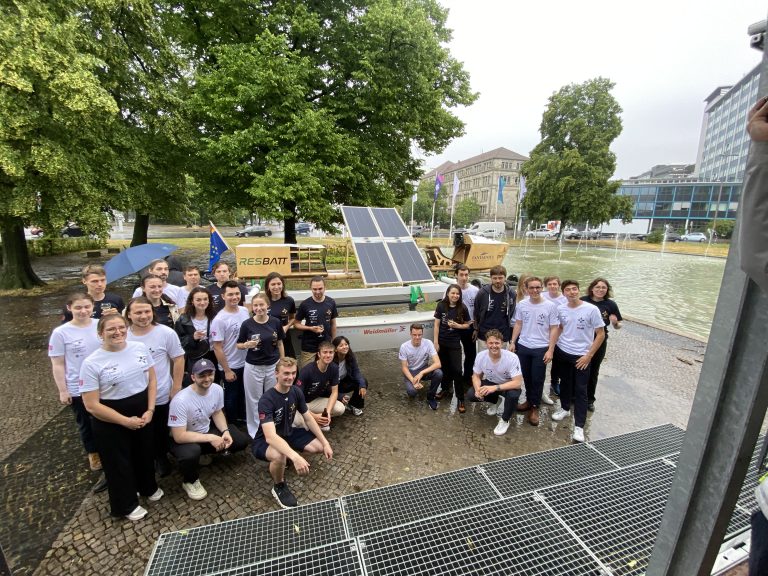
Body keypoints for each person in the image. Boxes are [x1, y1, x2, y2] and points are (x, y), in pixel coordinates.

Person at [80, 315, 162, 521]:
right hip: (110, 415)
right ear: (100, 334)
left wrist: (150, 409)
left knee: (144, 452)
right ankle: (125, 504)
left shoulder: (139, 348)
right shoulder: (91, 363)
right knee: (118, 461)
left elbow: (152, 379)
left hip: (142, 406)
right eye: (111, 329)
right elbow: (91, 404)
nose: (118, 332)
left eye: (121, 327)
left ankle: (147, 486)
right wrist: (124, 420)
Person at [251, 357, 333, 509]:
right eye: (286, 373)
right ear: (276, 374)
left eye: (293, 373)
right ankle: (279, 486)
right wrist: (295, 457)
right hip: (264, 441)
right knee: (279, 455)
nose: (290, 377)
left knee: (318, 447)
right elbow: (270, 436)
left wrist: (326, 443)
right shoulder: (266, 399)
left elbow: (308, 419)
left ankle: (286, 457)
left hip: (288, 433)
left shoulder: (296, 391)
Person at [167, 358, 249, 501]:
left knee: (240, 440)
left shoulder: (216, 389)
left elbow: (217, 412)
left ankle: (204, 453)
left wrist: (225, 432)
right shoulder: (180, 401)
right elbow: (179, 436)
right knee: (191, 453)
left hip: (204, 429)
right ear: (193, 377)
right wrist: (212, 438)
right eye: (201, 376)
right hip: (183, 438)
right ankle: (190, 481)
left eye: (210, 374)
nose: (207, 379)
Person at [125, 296, 185, 477]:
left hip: (160, 392)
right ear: (129, 314)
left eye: (147, 312)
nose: (143, 316)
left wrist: (176, 386)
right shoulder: (123, 334)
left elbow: (179, 359)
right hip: (132, 394)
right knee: (137, 430)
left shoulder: (166, 333)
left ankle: (161, 457)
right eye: (138, 312)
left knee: (159, 429)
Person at [49, 293, 104, 476]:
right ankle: (93, 452)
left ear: (93, 306)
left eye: (87, 307)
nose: (83, 311)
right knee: (85, 422)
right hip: (78, 385)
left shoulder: (100, 325)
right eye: (78, 307)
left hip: (104, 382)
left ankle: (108, 448)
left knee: (105, 419)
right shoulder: (61, 333)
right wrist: (63, 390)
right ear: (69, 308)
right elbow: (58, 363)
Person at [551, 280, 605, 443]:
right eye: (568, 290)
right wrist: (552, 348)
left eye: (574, 289)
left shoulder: (591, 309)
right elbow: (559, 327)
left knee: (581, 390)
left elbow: (600, 334)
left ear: (579, 291)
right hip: (563, 351)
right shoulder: (561, 308)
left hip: (582, 355)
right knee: (565, 383)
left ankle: (579, 426)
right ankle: (565, 408)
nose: (572, 292)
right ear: (564, 293)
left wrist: (589, 355)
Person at [510, 276, 559, 426]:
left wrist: (550, 349)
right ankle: (529, 401)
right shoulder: (522, 304)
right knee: (526, 376)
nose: (535, 290)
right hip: (524, 346)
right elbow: (518, 323)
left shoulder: (550, 306)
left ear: (542, 288)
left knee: (538, 378)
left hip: (541, 347)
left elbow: (554, 328)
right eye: (531, 288)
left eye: (538, 287)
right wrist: (513, 342)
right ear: (526, 289)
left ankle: (535, 408)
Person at [237, 293, 285, 438]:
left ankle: (272, 427)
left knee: (272, 397)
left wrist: (282, 363)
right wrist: (246, 345)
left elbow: (280, 343)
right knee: (254, 400)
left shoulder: (275, 322)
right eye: (256, 305)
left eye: (261, 305)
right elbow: (238, 344)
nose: (258, 308)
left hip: (272, 365)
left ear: (267, 305)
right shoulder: (247, 324)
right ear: (252, 307)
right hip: (253, 367)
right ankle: (256, 431)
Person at [466, 329, 523, 436]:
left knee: (514, 394)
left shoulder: (512, 358)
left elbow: (517, 383)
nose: (494, 346)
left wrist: (495, 388)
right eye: (491, 343)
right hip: (491, 383)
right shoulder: (481, 356)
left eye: (497, 343)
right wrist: (478, 389)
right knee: (471, 394)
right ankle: (495, 402)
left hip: (507, 386)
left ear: (502, 344)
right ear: (486, 344)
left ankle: (505, 420)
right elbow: (476, 376)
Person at [211, 280, 250, 423]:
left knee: (244, 393)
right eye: (230, 294)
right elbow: (217, 347)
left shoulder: (245, 311)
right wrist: (226, 370)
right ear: (223, 296)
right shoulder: (219, 319)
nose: (234, 297)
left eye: (237, 293)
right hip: (230, 364)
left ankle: (244, 419)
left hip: (246, 362)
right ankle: (232, 423)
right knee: (231, 396)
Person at [581, 278, 622, 412]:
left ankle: (589, 399)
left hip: (599, 341)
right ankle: (575, 396)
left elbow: (618, 326)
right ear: (592, 288)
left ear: (607, 290)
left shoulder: (610, 305)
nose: (600, 290)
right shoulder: (583, 300)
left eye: (603, 287)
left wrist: (615, 323)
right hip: (581, 339)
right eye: (597, 287)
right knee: (579, 368)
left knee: (593, 370)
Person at [433, 284, 472, 413]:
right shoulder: (441, 306)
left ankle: (460, 398)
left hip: (454, 343)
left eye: (457, 294)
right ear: (448, 294)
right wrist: (435, 342)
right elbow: (437, 325)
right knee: (444, 368)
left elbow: (467, 325)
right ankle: (445, 389)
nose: (455, 296)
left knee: (457, 370)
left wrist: (457, 326)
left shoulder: (463, 308)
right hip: (442, 343)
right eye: (453, 293)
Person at [294, 341, 344, 431]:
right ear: (319, 354)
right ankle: (313, 420)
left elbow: (334, 392)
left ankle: (319, 419)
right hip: (300, 403)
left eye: (330, 352)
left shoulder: (334, 368)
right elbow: (296, 398)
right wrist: (314, 416)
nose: (328, 355)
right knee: (299, 423)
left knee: (340, 408)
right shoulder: (307, 370)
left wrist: (327, 412)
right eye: (325, 352)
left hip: (315, 401)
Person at [174, 286, 217, 385]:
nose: (202, 302)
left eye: (205, 299)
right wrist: (192, 338)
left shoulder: (215, 316)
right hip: (194, 357)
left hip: (213, 354)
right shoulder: (183, 319)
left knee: (213, 382)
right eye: (198, 300)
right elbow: (178, 342)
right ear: (192, 301)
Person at [294, 276, 338, 369]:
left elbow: (333, 324)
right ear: (311, 288)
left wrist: (334, 342)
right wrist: (310, 328)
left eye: (320, 289)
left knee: (324, 372)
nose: (317, 292)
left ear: (325, 287)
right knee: (307, 372)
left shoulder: (331, 302)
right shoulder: (305, 304)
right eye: (314, 289)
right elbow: (296, 324)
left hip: (326, 345)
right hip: (309, 347)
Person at [451, 265, 479, 405]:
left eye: (466, 274)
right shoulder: (451, 289)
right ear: (456, 275)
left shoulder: (475, 290)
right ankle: (453, 379)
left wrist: (476, 328)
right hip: (455, 328)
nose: (464, 277)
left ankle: (468, 378)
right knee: (453, 355)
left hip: (470, 328)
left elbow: (478, 311)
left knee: (471, 355)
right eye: (461, 274)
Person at [398, 323, 443, 410]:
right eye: (414, 335)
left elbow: (438, 363)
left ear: (422, 334)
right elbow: (404, 367)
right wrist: (413, 380)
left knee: (439, 373)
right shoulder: (404, 347)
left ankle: (431, 396)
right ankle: (413, 386)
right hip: (411, 371)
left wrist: (421, 373)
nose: (417, 337)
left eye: (419, 335)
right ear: (410, 334)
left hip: (423, 369)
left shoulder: (428, 343)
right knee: (412, 392)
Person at [474, 265, 516, 348]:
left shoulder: (511, 293)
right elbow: (476, 311)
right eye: (495, 278)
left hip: (502, 334)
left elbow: (511, 312)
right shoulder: (482, 293)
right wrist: (476, 329)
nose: (498, 281)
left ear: (505, 278)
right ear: (491, 278)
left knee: (500, 359)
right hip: (484, 333)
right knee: (484, 359)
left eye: (500, 278)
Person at [542, 276, 567, 397]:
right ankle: (540, 383)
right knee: (542, 359)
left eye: (555, 284)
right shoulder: (542, 296)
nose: (552, 286)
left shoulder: (564, 299)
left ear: (559, 285)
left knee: (557, 360)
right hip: (544, 332)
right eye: (550, 284)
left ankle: (554, 382)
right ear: (546, 286)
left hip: (560, 332)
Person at [332, 336, 367, 416]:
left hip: (343, 382)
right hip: (333, 386)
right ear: (335, 349)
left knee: (363, 381)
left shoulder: (350, 356)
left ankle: (355, 405)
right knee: (339, 407)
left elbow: (356, 372)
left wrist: (362, 385)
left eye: (346, 344)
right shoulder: (331, 360)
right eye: (341, 345)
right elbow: (327, 385)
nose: (345, 347)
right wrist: (340, 396)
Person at [264, 271, 297, 358]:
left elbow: (293, 318)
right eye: (273, 284)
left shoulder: (289, 300)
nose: (276, 287)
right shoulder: (263, 301)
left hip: (284, 338)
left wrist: (287, 326)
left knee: (289, 364)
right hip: (268, 339)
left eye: (279, 284)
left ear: (283, 285)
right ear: (268, 286)